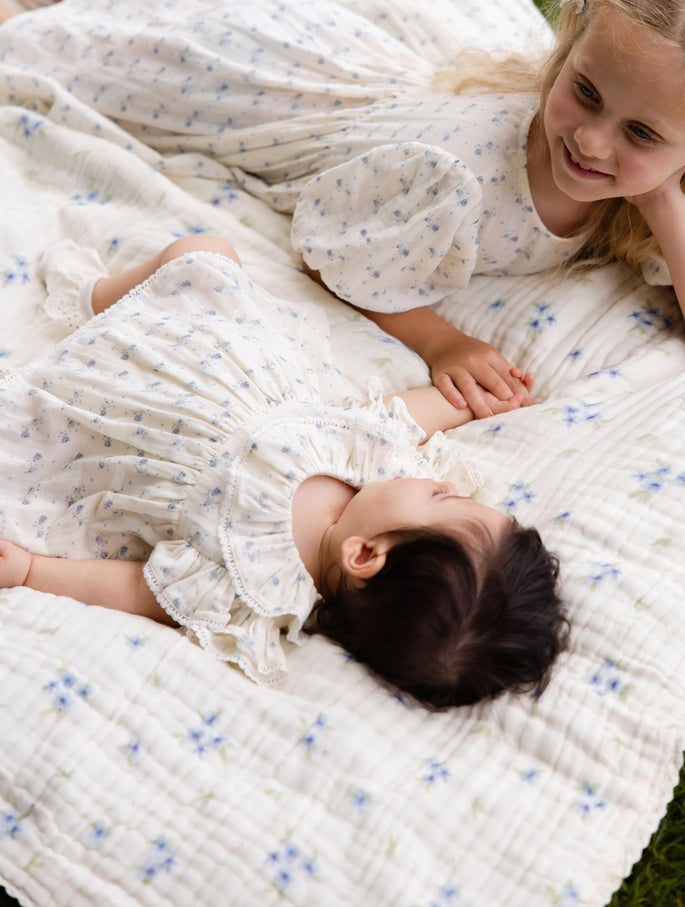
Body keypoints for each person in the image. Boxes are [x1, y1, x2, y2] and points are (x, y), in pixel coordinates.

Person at [0, 0, 685, 412]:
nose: (589, 137)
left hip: (326, 76)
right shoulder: (465, 176)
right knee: (67, 32)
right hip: (259, 96)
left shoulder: (661, 189)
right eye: (583, 90)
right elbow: (328, 246)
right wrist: (440, 340)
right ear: (569, 49)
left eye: (640, 132)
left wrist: (661, 201)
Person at [0, 235, 567, 710]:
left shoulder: (255, 587)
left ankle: (86, 347)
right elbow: (395, 418)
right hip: (207, 345)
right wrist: (469, 401)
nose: (438, 481)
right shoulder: (374, 474)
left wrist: (31, 571)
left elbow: (141, 590)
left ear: (365, 555)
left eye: (443, 498)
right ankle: (99, 296)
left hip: (117, 413)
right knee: (204, 253)